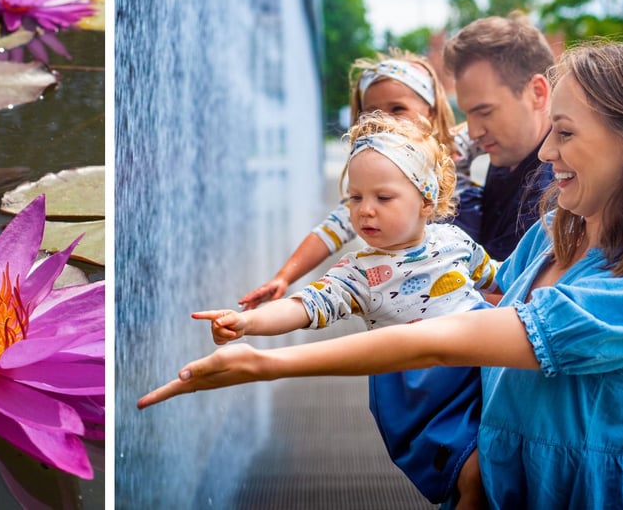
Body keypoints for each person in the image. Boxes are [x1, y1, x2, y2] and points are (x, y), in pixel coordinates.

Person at [139, 42, 623, 508]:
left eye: (564, 133)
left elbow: (445, 342)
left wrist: (269, 363)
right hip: (500, 476)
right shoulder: (553, 232)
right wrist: (390, 275)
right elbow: (472, 291)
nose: (545, 154)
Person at [196, 111, 496, 506]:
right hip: (428, 395)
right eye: (355, 198)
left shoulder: (455, 241)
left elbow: (500, 279)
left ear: (426, 200)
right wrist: (248, 321)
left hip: (482, 369)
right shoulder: (360, 273)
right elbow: (305, 306)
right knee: (472, 476)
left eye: (383, 198)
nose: (365, 210)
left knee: (499, 463)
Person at [239, 50, 481, 309]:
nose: (384, 120)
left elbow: (503, 125)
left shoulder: (457, 146)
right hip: (416, 298)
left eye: (397, 109)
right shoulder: (374, 186)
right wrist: (283, 278)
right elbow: (329, 231)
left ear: (431, 112)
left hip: (470, 276)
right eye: (372, 112)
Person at [444, 13, 556, 261]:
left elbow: (513, 295)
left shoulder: (556, 193)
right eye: (467, 114)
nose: (474, 132)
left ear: (537, 92)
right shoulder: (510, 154)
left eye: (485, 112)